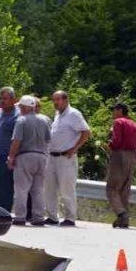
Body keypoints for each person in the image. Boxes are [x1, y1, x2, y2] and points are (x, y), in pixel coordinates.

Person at [41, 90, 91, 226]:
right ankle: (52, 216)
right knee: (49, 188)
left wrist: (75, 148)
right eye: (54, 100)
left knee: (66, 189)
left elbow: (86, 132)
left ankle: (70, 217)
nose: (55, 103)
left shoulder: (73, 114)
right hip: (52, 156)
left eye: (58, 100)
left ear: (66, 100)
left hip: (66, 157)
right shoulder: (58, 115)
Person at [7, 95, 51, 226]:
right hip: (41, 156)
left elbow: (17, 141)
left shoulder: (21, 121)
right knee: (38, 190)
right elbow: (48, 139)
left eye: (21, 106)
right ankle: (38, 217)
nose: (19, 109)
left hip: (25, 156)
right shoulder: (44, 120)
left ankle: (20, 217)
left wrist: (11, 157)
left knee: (21, 188)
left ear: (25, 107)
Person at [105, 102, 136, 229]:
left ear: (119, 110)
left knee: (112, 188)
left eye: (114, 110)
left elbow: (117, 140)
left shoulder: (118, 122)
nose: (113, 113)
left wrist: (110, 145)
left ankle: (121, 213)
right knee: (124, 189)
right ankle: (124, 219)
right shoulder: (135, 124)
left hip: (119, 154)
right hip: (131, 156)